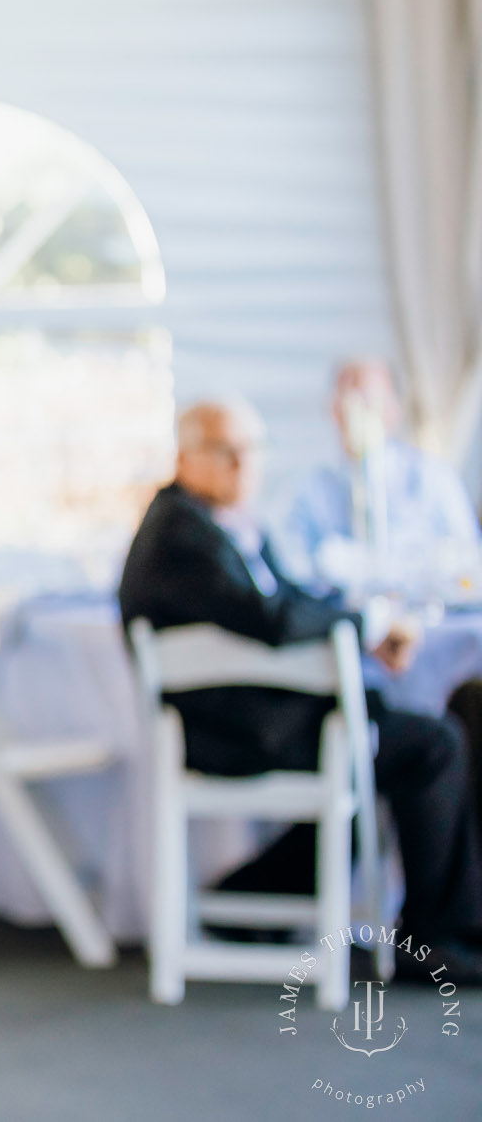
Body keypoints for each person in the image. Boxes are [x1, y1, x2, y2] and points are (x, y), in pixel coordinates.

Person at [118, 398, 482, 981]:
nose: (244, 466)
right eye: (226, 452)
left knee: (388, 739)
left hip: (259, 722)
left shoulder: (216, 522)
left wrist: (364, 627)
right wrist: (371, 625)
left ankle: (247, 899)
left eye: (252, 451)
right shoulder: (182, 534)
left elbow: (290, 600)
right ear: (186, 458)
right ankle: (442, 939)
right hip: (234, 733)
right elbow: (274, 618)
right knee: (431, 744)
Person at [282, 358, 480, 597]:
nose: (356, 414)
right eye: (347, 401)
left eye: (368, 401)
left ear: (394, 409)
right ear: (333, 410)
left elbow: (469, 560)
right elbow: (295, 570)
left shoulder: (433, 477)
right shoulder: (311, 489)